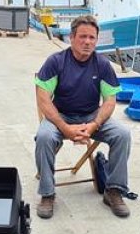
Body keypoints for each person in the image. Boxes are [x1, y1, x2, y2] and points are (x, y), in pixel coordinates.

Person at [34, 14, 133, 218]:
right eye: (83, 37)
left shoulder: (103, 64)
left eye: (92, 38)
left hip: (91, 116)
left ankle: (113, 191)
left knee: (122, 134)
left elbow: (110, 101)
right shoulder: (56, 62)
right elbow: (43, 99)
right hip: (60, 116)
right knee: (44, 137)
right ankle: (47, 193)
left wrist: (94, 125)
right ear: (71, 37)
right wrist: (65, 128)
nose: (87, 42)